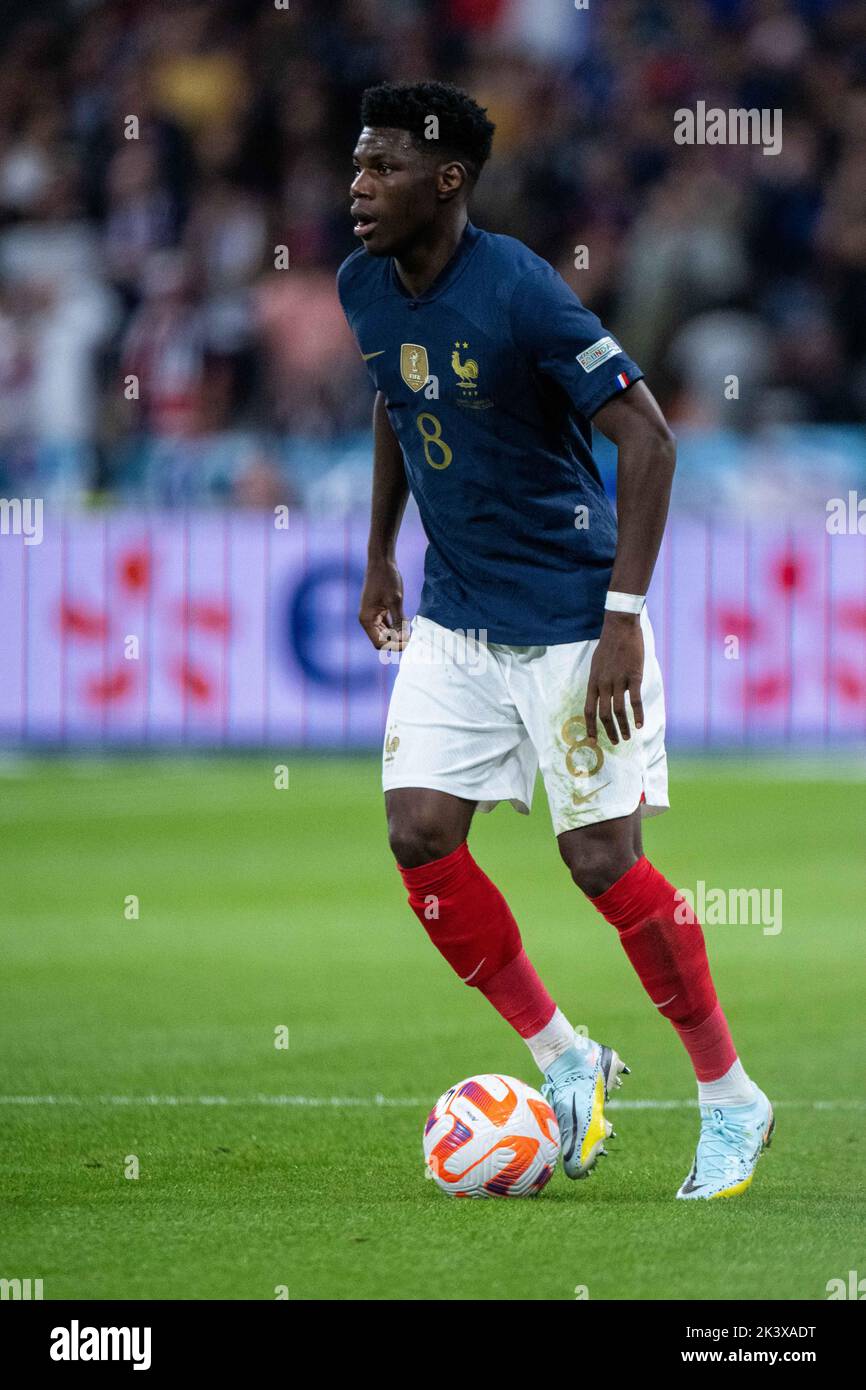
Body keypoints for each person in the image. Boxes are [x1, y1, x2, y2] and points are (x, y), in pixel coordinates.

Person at [337, 81, 773, 1199]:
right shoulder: (360, 285)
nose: (357, 186)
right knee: (418, 834)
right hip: (454, 614)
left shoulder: (522, 291)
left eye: (381, 167)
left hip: (572, 618)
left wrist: (622, 618)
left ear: (447, 181)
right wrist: (381, 551)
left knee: (599, 860)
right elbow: (397, 394)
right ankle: (563, 1055)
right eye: (354, 164)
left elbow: (650, 439)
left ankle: (729, 1097)